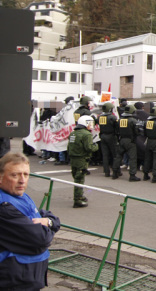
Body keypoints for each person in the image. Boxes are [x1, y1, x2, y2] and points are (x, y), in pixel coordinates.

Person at [0, 153, 61, 289]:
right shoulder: (5, 206)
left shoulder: (19, 196)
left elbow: (49, 217)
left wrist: (49, 222)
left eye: (26, 175)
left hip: (27, 275)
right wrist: (48, 225)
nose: (22, 181)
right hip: (15, 280)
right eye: (15, 175)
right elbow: (41, 239)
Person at [68, 115, 99, 208]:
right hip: (82, 159)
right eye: (89, 123)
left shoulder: (73, 133)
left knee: (76, 177)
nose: (91, 125)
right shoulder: (86, 134)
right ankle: (77, 199)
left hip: (73, 158)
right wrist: (96, 146)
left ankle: (80, 196)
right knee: (79, 179)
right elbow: (89, 148)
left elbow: (69, 146)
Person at [115, 105, 141, 181]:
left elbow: (116, 130)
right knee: (132, 158)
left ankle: (115, 172)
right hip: (130, 141)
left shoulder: (120, 120)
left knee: (118, 156)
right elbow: (137, 131)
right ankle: (132, 175)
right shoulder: (133, 120)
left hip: (122, 140)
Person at [98, 102, 119, 178]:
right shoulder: (112, 117)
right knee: (115, 154)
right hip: (111, 136)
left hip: (103, 136)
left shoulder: (100, 117)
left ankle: (106, 171)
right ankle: (116, 171)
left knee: (105, 155)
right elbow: (117, 127)